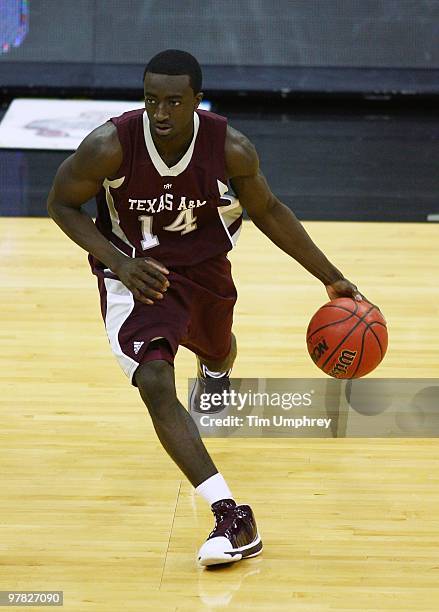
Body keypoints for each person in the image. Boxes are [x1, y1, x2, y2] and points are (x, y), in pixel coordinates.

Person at [47, 49, 363, 567]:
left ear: (197, 99)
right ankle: (229, 513)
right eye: (152, 100)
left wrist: (331, 278)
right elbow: (60, 203)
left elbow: (268, 211)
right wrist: (119, 262)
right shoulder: (110, 145)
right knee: (154, 380)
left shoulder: (230, 148)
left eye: (174, 101)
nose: (162, 113)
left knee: (217, 346)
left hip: (206, 269)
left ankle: (215, 371)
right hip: (139, 275)